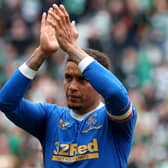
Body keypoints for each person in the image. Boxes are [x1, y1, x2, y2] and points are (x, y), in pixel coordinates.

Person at [0, 4, 137, 168]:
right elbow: (6, 102)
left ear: (99, 83)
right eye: (68, 77)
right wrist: (42, 52)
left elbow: (115, 93)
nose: (72, 86)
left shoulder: (113, 120)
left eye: (82, 79)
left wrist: (72, 48)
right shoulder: (50, 117)